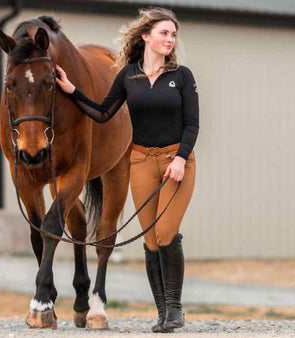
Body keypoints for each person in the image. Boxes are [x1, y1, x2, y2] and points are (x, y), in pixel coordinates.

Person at [55, 7, 199, 333]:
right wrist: (72, 92)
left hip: (176, 162)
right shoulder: (128, 76)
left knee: (165, 233)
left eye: (173, 34)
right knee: (149, 240)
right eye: (164, 33)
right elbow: (104, 113)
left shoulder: (182, 76)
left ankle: (175, 310)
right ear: (146, 36)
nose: (170, 39)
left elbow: (192, 124)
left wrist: (180, 159)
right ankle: (163, 314)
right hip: (140, 161)